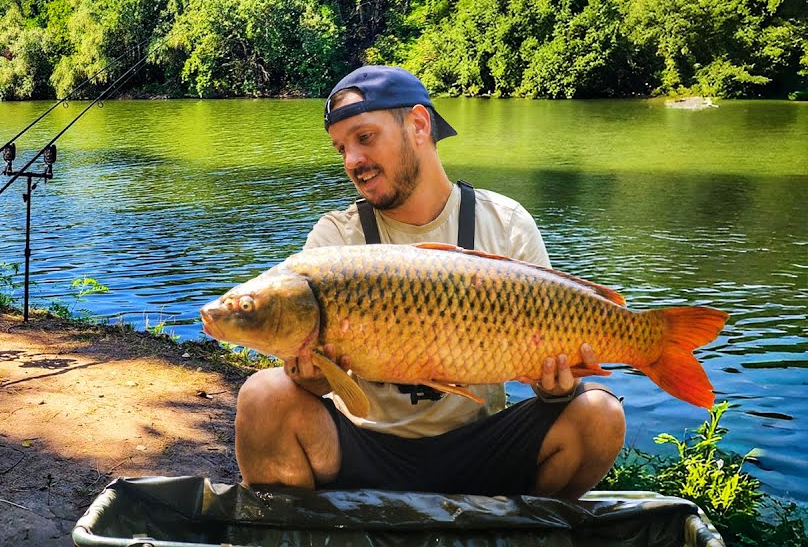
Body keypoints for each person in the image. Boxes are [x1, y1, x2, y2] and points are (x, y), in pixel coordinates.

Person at [234, 65, 625, 499]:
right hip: (363, 447)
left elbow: (547, 382)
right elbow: (314, 385)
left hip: (479, 446)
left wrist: (556, 388)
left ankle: (518, 533)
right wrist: (312, 377)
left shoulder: (506, 223)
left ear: (419, 125)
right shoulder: (336, 241)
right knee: (264, 396)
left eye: (365, 138)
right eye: (341, 148)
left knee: (599, 414)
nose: (352, 162)